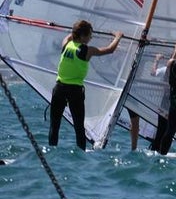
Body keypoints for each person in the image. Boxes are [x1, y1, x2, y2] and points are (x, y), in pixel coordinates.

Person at [48, 20, 122, 149]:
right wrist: (118, 37)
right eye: (89, 35)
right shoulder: (87, 50)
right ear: (82, 36)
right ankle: (81, 156)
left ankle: (51, 151)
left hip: (59, 88)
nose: (91, 38)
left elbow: (70, 36)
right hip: (75, 91)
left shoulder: (66, 44)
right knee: (78, 127)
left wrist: (76, 30)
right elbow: (110, 50)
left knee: (54, 126)